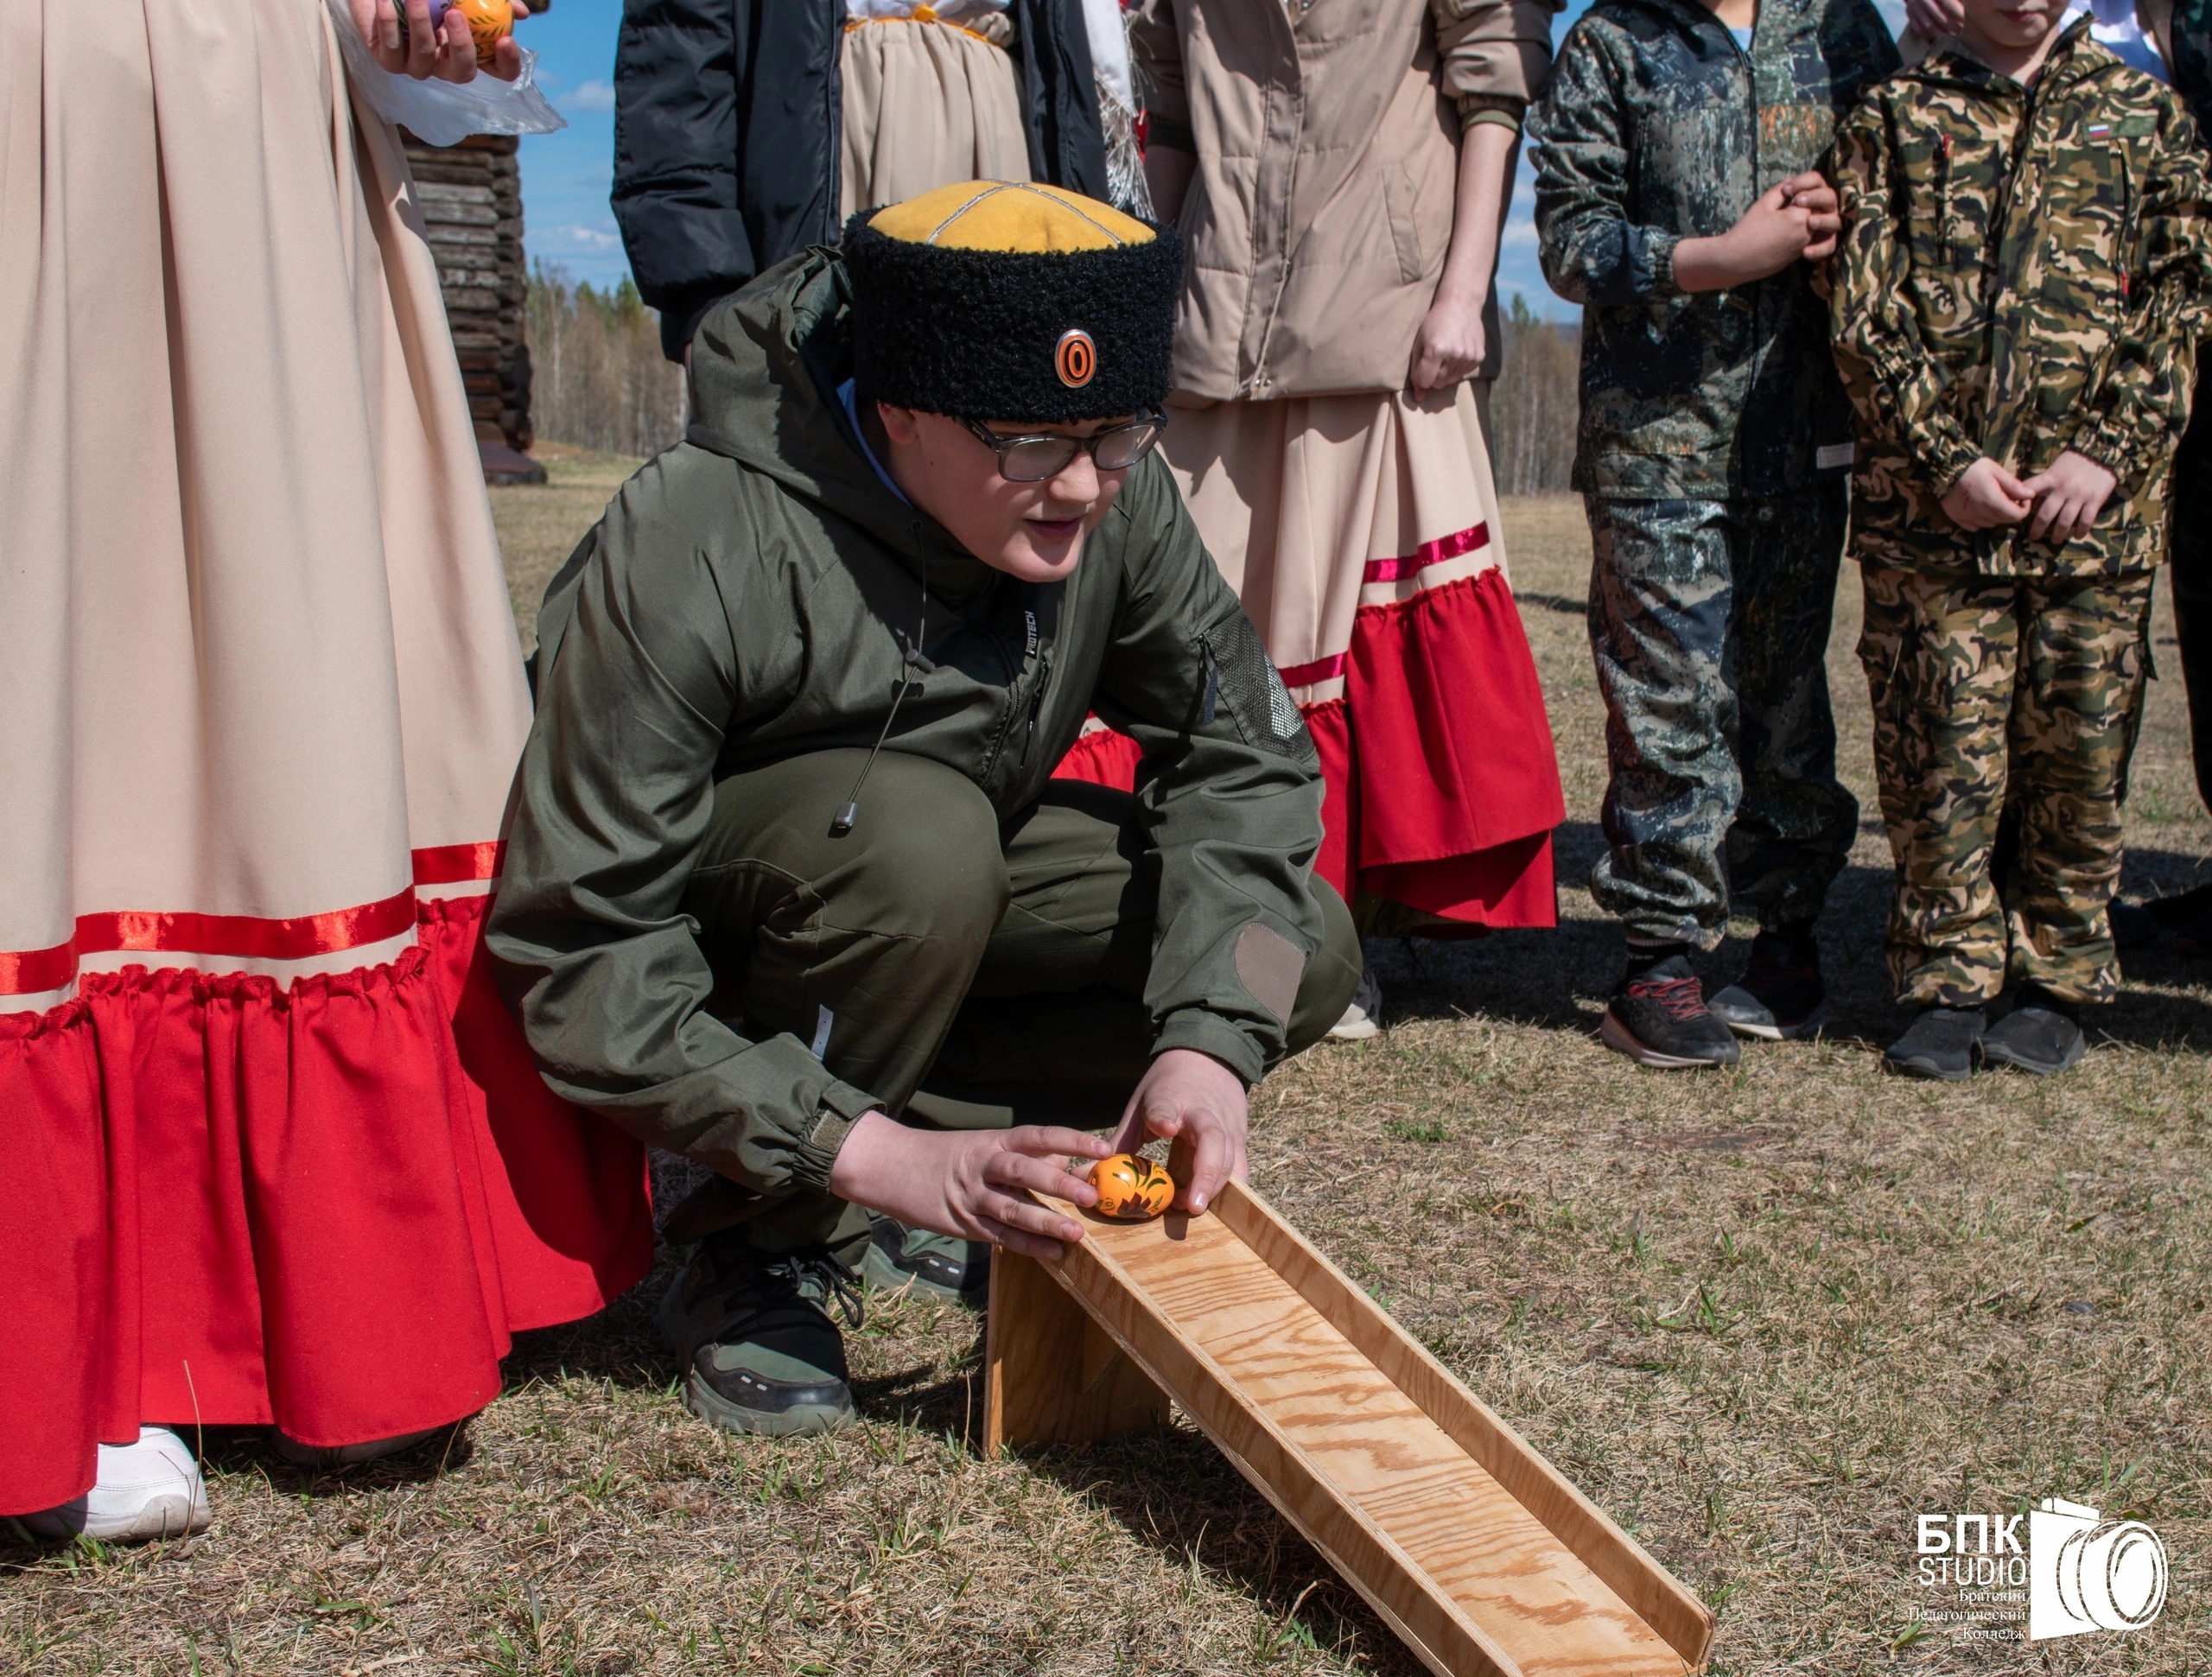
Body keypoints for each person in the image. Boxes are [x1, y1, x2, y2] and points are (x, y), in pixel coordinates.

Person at [486, 181, 1364, 1439]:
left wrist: (1213, 1043)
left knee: (1296, 947)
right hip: (737, 963)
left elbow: (1245, 759)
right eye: (1030, 444)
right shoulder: (696, 534)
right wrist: (878, 1155)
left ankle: (960, 1172)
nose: (1082, 487)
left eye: (1117, 437)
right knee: (921, 843)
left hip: (917, 923)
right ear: (898, 409)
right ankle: (760, 1234)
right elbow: (579, 947)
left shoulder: (1112, 493)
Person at [0, 0, 654, 1542]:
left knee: (291, 645)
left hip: (260, 136)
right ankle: (62, 1340)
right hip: (41, 88)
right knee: (51, 612)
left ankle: (322, 1291)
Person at [1115, 0, 1569, 1043]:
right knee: (1208, 648)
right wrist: (1150, 290)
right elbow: (1171, 107)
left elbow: (1491, 82)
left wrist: (1463, 290)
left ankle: (1331, 950)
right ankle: (1197, 931)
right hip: (1214, 325)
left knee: (1341, 652)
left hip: (1384, 320)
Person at [1831, 0, 2212, 1077]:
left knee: (2079, 751)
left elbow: (2183, 299)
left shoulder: (2145, 116)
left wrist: (2109, 454)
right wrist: (1940, 460)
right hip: (1934, 519)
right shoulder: (1894, 116)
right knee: (1938, 748)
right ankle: (1946, 977)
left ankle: (2056, 976)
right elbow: (1865, 307)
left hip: (2094, 518)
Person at [1530, 0, 1897, 1068]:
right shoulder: (1612, 41)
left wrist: (1848, 214)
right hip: (1655, 440)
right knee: (1668, 699)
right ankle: (1660, 959)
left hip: (1801, 427)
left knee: (1785, 691)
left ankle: (1786, 942)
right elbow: (1570, 239)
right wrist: (1724, 255)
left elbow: (1903, 190)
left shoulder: (1837, 32)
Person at [611, 0, 1111, 365]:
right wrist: (706, 292)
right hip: (823, 139)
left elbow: (1072, 68)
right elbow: (679, 41)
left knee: (1010, 449)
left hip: (1006, 133)